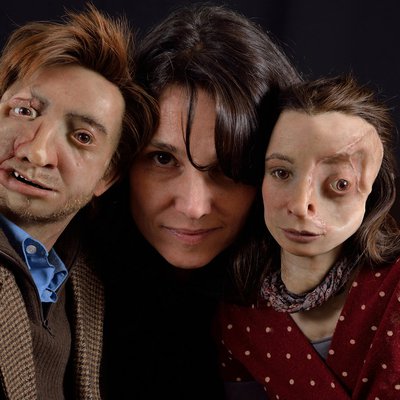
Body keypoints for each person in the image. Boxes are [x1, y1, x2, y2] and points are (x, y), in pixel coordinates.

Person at [96, 2, 301, 399]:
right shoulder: (60, 282)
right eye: (162, 159)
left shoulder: (341, 300)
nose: (194, 207)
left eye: (228, 168)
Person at [0, 4, 156, 399]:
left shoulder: (86, 281)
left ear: (108, 176)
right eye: (23, 111)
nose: (36, 152)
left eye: (82, 137)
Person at [216, 74, 400, 399]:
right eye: (281, 173)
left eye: (340, 184)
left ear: (374, 191)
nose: (301, 205)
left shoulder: (393, 291)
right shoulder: (238, 318)